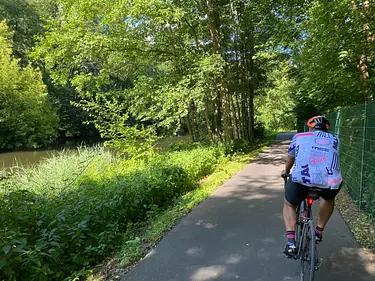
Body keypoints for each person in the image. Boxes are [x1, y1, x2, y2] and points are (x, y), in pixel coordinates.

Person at [281, 116, 343, 258]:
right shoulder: (335, 140)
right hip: (330, 183)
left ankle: (291, 244)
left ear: (310, 127)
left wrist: (286, 171)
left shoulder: (299, 136)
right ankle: (319, 231)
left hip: (301, 179)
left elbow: (291, 158)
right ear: (328, 128)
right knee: (328, 199)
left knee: (289, 204)